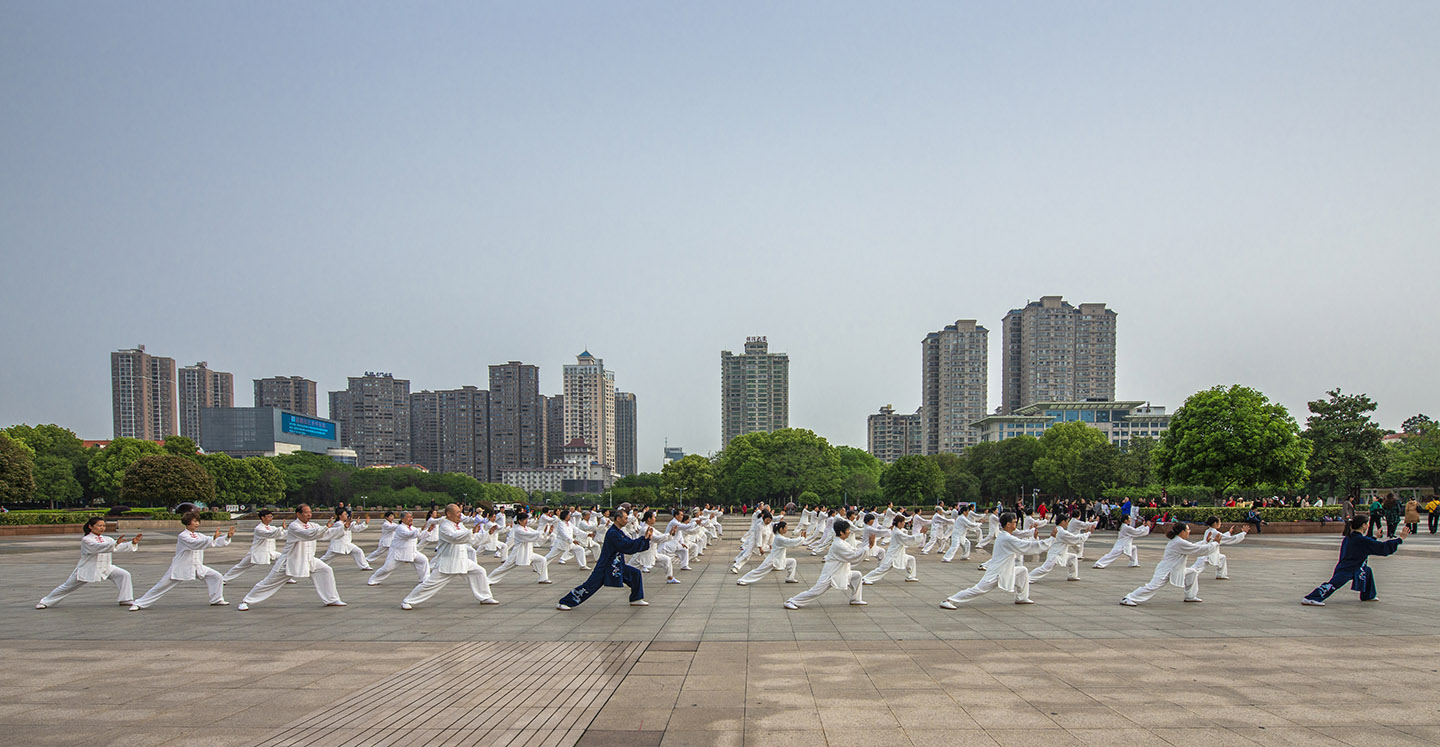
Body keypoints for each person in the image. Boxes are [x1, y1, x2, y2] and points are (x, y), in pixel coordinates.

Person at [238, 504, 345, 611]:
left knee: (326, 570)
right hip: (290, 561)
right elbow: (308, 535)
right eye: (306, 512)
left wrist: (343, 528)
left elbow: (326, 534)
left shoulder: (313, 525)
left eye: (310, 512)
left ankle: (331, 599)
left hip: (308, 559)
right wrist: (325, 528)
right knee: (269, 583)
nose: (309, 515)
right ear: (298, 514)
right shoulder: (294, 526)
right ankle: (246, 601)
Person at [939, 513, 1052, 609]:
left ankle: (1022, 597)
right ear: (1008, 524)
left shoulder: (1006, 535)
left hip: (1004, 570)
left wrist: (1033, 533)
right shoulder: (1007, 538)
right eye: (1014, 522)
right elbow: (1026, 546)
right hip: (997, 572)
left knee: (1022, 571)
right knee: (978, 589)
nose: (1016, 523)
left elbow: (1021, 537)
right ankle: (949, 600)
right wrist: (1051, 539)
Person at [400, 504, 498, 610]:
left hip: (462, 560)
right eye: (457, 513)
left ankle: (485, 597)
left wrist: (488, 534)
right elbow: (454, 538)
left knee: (479, 571)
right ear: (448, 514)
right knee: (430, 584)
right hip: (448, 562)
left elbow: (471, 539)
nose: (460, 515)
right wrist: (471, 532)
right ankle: (408, 601)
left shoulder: (459, 525)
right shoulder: (445, 526)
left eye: (460, 512)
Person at [129, 513, 235, 610]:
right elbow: (195, 544)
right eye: (194, 521)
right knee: (162, 586)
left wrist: (227, 537)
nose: (197, 523)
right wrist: (212, 539)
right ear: (188, 523)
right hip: (181, 566)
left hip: (197, 566)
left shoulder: (199, 535)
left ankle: (216, 599)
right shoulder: (183, 536)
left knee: (216, 576)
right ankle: (139, 603)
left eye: (198, 521)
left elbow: (213, 542)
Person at [557, 508, 653, 609]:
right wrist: (643, 539)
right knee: (589, 586)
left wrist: (645, 539)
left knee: (635, 574)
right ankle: (565, 602)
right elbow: (626, 545)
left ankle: (636, 598)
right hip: (606, 566)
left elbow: (629, 542)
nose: (626, 520)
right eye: (625, 518)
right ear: (618, 519)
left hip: (616, 565)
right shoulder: (613, 533)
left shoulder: (618, 532)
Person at [1302, 515, 1408, 605]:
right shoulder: (1360, 540)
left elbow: (1367, 544)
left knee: (1367, 571)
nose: (1368, 525)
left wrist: (1375, 537)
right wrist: (1400, 539)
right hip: (1349, 568)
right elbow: (1381, 548)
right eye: (1367, 523)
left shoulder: (1351, 537)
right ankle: (1312, 598)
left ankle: (1368, 595)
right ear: (1363, 525)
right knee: (1333, 584)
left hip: (1351, 566)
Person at [37, 517, 141, 609]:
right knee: (67, 586)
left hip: (106, 567)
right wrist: (115, 543)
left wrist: (132, 543)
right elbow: (98, 548)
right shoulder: (86, 539)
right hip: (88, 568)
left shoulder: (107, 539)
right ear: (91, 527)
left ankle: (125, 599)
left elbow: (116, 548)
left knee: (124, 575)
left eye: (104, 526)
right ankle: (45, 602)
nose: (102, 528)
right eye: (99, 525)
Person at [1119, 522, 1218, 606]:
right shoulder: (1179, 542)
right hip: (1166, 569)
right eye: (1188, 530)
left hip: (1175, 568)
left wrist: (1206, 541)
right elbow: (1197, 550)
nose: (1189, 532)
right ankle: (1128, 598)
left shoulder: (1179, 541)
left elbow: (1193, 547)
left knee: (1192, 572)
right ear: (1182, 532)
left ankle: (1190, 596)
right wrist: (1215, 543)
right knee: (1152, 586)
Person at [784, 519, 866, 609]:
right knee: (816, 591)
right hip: (831, 574)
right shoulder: (838, 544)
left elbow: (854, 551)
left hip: (841, 572)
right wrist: (868, 548)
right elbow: (853, 556)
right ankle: (792, 601)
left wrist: (866, 546)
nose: (849, 532)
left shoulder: (843, 542)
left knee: (857, 576)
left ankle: (855, 599)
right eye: (847, 530)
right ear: (841, 532)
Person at [367, 511, 432, 586]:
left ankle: (425, 579)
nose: (410, 519)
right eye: (408, 517)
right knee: (387, 568)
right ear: (403, 519)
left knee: (423, 560)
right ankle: (373, 579)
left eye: (411, 517)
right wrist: (420, 529)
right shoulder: (400, 528)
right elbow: (408, 535)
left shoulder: (413, 528)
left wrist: (428, 531)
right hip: (398, 553)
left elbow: (419, 536)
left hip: (411, 552)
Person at [488, 512, 551, 585]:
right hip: (518, 553)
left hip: (528, 552)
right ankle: (488, 579)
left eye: (527, 519)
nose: (526, 521)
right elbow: (531, 535)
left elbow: (536, 534)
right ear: (519, 521)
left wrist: (547, 533)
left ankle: (543, 578)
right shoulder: (518, 529)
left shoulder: (527, 528)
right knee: (505, 567)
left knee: (542, 560)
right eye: (524, 519)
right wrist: (542, 532)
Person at [222, 510, 283, 583]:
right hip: (257, 552)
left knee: (283, 559)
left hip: (270, 552)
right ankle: (223, 579)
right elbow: (269, 534)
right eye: (268, 516)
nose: (270, 518)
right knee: (241, 567)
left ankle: (284, 577)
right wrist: (281, 528)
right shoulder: (259, 528)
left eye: (271, 516)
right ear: (262, 518)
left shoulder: (271, 527)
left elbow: (280, 534)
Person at [862, 515, 923, 585]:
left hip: (899, 554)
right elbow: (908, 539)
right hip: (893, 556)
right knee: (882, 569)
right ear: (899, 523)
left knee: (911, 559)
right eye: (903, 522)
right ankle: (865, 578)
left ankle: (911, 576)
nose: (904, 523)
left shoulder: (897, 530)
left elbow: (907, 538)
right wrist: (921, 535)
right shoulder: (897, 532)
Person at [737, 520, 802, 586]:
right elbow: (790, 542)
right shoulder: (779, 538)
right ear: (781, 529)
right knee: (759, 571)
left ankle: (790, 578)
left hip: (779, 559)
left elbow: (789, 541)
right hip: (772, 560)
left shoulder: (779, 536)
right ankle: (743, 580)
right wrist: (802, 539)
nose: (786, 530)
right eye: (786, 528)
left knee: (792, 562)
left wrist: (800, 538)